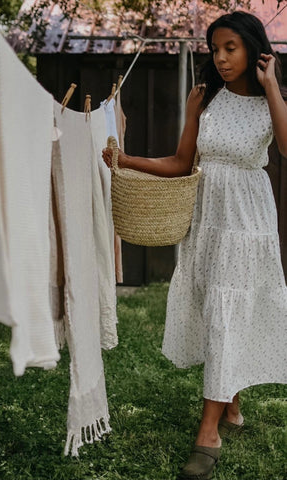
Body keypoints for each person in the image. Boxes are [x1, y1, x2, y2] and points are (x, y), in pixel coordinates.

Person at [102, 11, 287, 480]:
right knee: (216, 308)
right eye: (216, 49)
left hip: (247, 221)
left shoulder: (271, 101)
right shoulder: (206, 98)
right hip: (208, 220)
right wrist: (126, 159)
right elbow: (182, 163)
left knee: (231, 309)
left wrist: (272, 87)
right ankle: (232, 403)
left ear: (253, 48)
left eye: (231, 48)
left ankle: (209, 433)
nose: (222, 59)